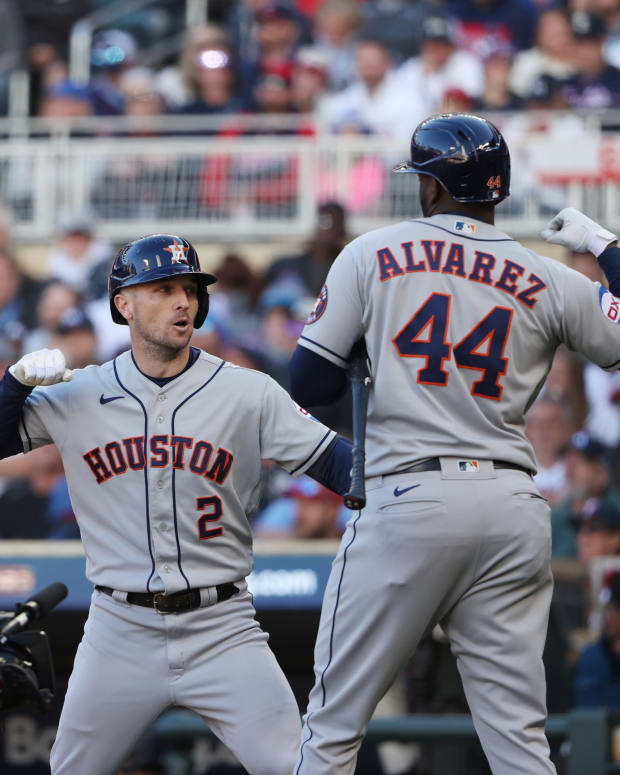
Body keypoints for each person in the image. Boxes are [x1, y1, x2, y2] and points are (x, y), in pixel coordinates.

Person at [288, 112, 620, 774]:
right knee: (520, 741)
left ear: (433, 187)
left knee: (331, 728)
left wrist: (366, 344)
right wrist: (603, 243)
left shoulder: (373, 251)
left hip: (408, 493)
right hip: (510, 499)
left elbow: (311, 382)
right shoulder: (546, 274)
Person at [0, 234, 352, 775]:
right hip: (118, 626)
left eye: (189, 289)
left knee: (300, 768)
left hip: (224, 624)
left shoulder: (247, 391)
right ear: (124, 304)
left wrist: (421, 472)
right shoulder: (79, 393)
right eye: (163, 289)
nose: (182, 302)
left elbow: (341, 467)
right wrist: (12, 387)